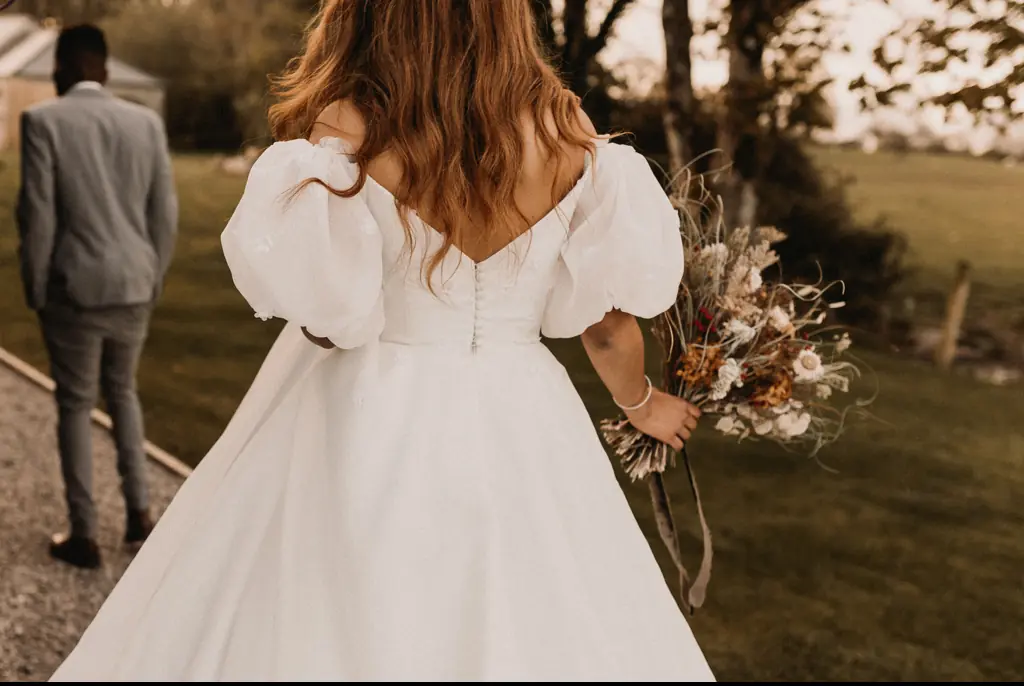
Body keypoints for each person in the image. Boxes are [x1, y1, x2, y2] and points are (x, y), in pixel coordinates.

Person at [50, 2, 713, 681]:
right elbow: (606, 326)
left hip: (367, 402)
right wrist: (643, 404)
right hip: (524, 407)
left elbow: (326, 323)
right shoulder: (564, 127)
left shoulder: (348, 123)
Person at [16, 24, 178, 570]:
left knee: (75, 404)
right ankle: (139, 513)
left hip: (74, 290)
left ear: (63, 66)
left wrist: (36, 285)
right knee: (123, 393)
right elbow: (164, 213)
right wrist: (153, 275)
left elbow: (38, 217)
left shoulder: (43, 121)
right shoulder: (145, 123)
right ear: (104, 69)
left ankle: (84, 533)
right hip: (134, 283)